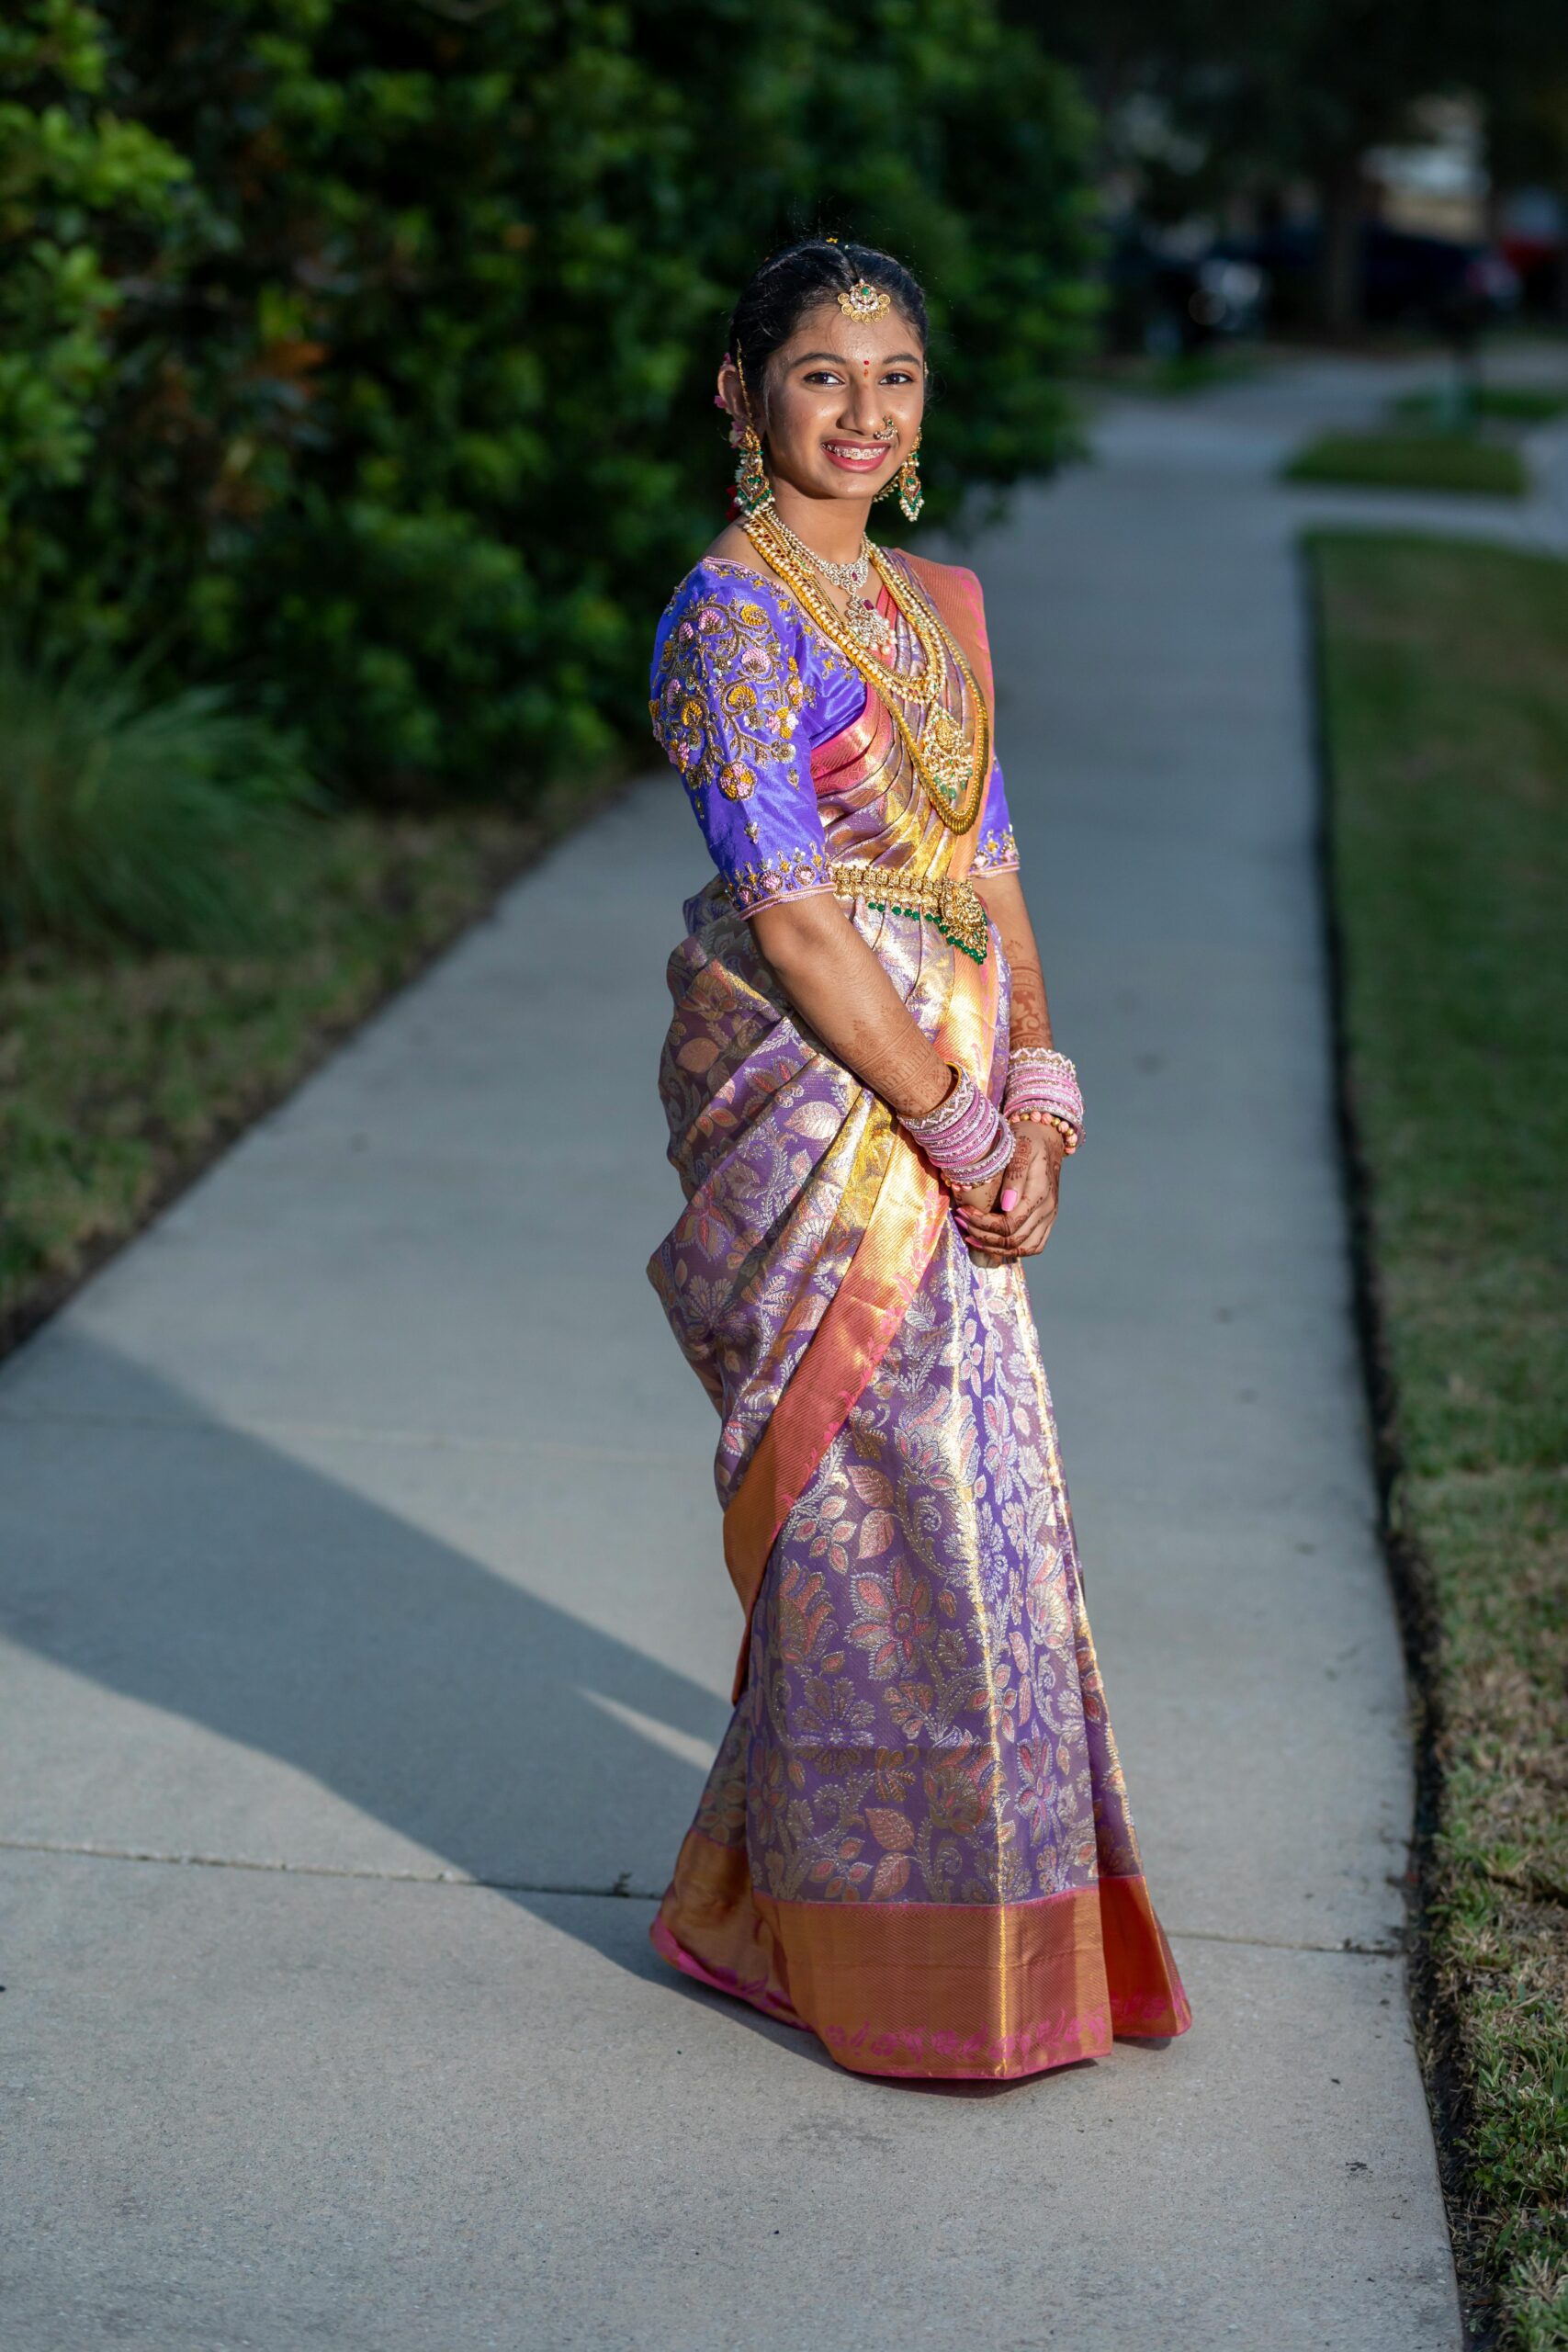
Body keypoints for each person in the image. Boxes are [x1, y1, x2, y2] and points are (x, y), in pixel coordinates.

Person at [645, 237, 1190, 2081]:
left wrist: (1037, 1077)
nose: (862, 412)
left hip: (955, 1107)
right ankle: (871, 1946)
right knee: (871, 1521)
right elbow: (797, 924)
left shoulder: (936, 610)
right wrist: (951, 1120)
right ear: (741, 395)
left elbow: (990, 863)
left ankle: (957, 1917)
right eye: (820, 373)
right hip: (827, 1112)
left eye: (895, 376)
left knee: (989, 1517)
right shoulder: (733, 615)